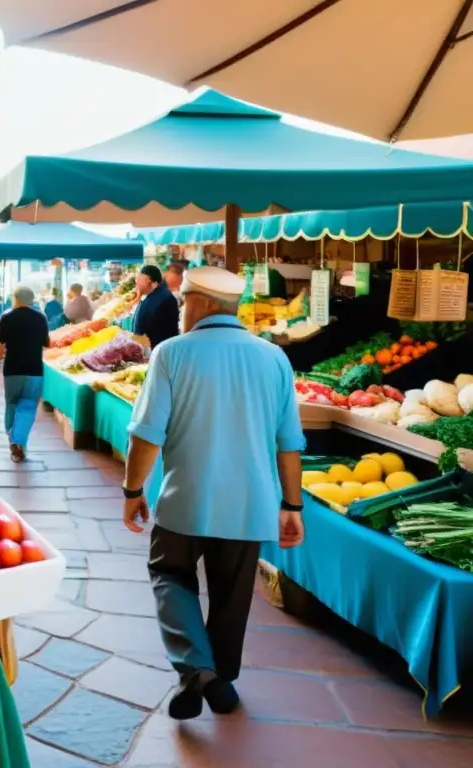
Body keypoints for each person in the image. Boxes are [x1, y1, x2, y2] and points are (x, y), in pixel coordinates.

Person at [121, 266, 305, 721]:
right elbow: (289, 443)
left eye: (183, 301)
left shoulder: (171, 354)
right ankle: (217, 676)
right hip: (251, 505)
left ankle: (196, 671)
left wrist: (132, 489)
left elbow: (147, 436)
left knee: (169, 576)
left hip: (185, 500)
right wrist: (292, 505)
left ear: (201, 303)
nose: (181, 310)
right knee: (231, 594)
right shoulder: (274, 358)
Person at [0, 285, 49, 463]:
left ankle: (13, 441)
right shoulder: (41, 318)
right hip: (34, 369)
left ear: (16, 299)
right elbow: (47, 343)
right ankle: (19, 441)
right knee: (28, 405)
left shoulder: (6, 317)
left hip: (12, 370)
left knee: (11, 404)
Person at [132, 265, 180, 348]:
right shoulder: (153, 296)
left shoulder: (163, 299)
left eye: (139, 279)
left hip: (160, 350)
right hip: (156, 349)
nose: (137, 283)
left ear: (148, 280)